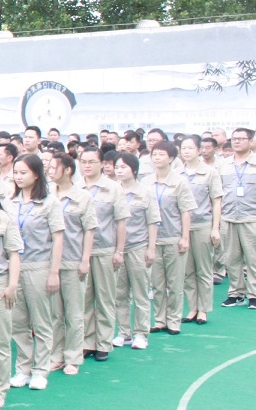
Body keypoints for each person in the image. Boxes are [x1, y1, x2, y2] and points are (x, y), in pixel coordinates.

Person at [9, 155, 64, 391]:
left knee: (41, 321)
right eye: (16, 172)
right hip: (14, 268)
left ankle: (41, 370)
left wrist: (54, 272)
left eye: (23, 172)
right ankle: (23, 368)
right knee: (18, 321)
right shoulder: (10, 202)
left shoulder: (49, 203)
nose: (18, 177)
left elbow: (58, 239)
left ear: (36, 174)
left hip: (38, 266)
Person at [78, 145, 127, 361]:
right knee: (84, 299)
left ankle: (104, 342)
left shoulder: (113, 188)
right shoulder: (76, 187)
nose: (87, 166)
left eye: (92, 162)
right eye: (83, 162)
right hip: (80, 252)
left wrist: (119, 251)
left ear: (102, 164)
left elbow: (121, 221)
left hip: (105, 249)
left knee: (105, 298)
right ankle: (87, 341)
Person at [50, 154, 96, 374]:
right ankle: (56, 355)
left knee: (74, 312)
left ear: (67, 170)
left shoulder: (82, 197)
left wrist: (85, 260)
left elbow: (89, 230)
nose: (50, 171)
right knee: (55, 314)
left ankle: (73, 357)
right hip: (50, 263)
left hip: (73, 260)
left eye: (54, 167)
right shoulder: (47, 194)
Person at [146, 141, 194, 334]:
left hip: (173, 237)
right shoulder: (146, 182)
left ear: (171, 158)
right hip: (153, 240)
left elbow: (185, 211)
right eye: (154, 154)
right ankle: (160, 319)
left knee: (175, 283)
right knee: (157, 284)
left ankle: (174, 320)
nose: (157, 158)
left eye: (161, 154)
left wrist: (185, 237)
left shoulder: (180, 182)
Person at [113, 153, 157, 349]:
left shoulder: (145, 192)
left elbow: (152, 222)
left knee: (140, 292)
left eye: (123, 167)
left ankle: (141, 333)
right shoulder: (113, 191)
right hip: (117, 249)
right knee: (120, 294)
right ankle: (124, 332)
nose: (119, 171)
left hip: (138, 247)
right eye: (117, 167)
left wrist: (151, 248)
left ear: (134, 169)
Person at [179, 136, 221, 324]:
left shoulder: (210, 173)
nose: (186, 151)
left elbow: (216, 201)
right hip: (181, 228)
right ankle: (192, 308)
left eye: (190, 148)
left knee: (203, 269)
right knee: (187, 271)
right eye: (183, 148)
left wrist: (215, 228)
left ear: (199, 150)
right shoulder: (176, 174)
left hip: (202, 225)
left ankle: (203, 309)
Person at [219, 128, 256, 308]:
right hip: (228, 217)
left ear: (250, 141)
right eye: (234, 139)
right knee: (231, 258)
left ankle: (254, 294)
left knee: (253, 259)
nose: (237, 142)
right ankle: (236, 293)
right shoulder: (224, 165)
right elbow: (217, 193)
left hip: (251, 218)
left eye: (241, 139)